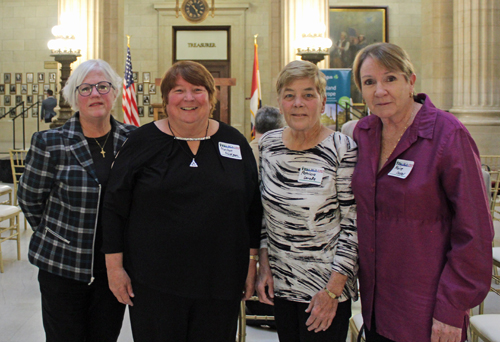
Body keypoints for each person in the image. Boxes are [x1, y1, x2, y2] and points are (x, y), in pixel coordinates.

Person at [102, 60, 262, 342]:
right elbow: (114, 209)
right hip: (154, 284)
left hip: (220, 282)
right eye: (178, 90)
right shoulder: (141, 142)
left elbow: (251, 208)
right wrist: (114, 270)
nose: (188, 98)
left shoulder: (234, 141)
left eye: (197, 89)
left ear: (211, 97)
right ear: (166, 99)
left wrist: (251, 263)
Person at [350, 42, 493, 342]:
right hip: (377, 306)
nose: (380, 90)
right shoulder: (363, 134)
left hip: (428, 311)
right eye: (369, 82)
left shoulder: (448, 134)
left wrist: (453, 307)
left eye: (390, 78)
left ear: (410, 80)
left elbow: (475, 231)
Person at [18, 59, 137, 342]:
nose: (95, 94)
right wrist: (59, 237)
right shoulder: (50, 142)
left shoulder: (133, 141)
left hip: (115, 268)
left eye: (102, 86)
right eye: (85, 88)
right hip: (63, 267)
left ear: (114, 92)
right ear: (74, 96)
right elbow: (30, 199)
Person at [256, 60, 358, 342]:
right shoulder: (269, 145)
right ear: (280, 102)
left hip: (324, 291)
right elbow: (263, 214)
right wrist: (264, 267)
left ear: (323, 102)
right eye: (289, 95)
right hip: (282, 285)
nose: (298, 103)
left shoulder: (342, 148)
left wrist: (333, 291)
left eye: (308, 94)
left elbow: (353, 225)